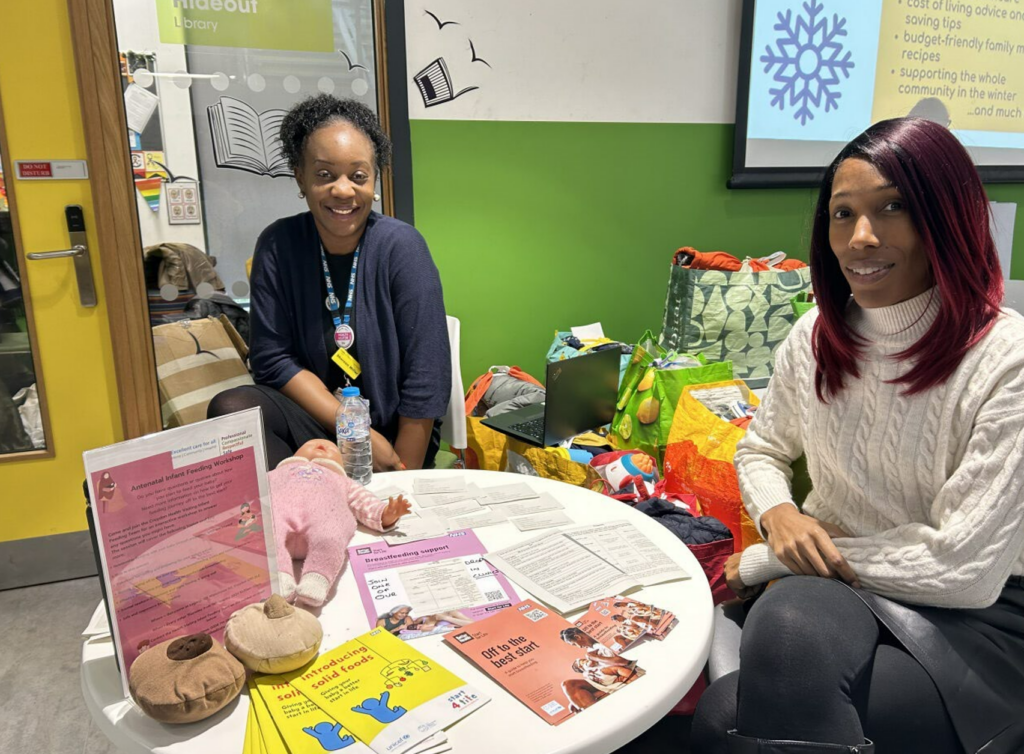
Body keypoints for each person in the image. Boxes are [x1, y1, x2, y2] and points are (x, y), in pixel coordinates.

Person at [691, 118, 1024, 754]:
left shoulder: (1006, 359)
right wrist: (780, 515)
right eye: (842, 214)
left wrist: (768, 558)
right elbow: (761, 449)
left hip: (976, 616)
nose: (860, 238)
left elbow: (963, 569)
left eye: (891, 207)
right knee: (784, 637)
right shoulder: (818, 333)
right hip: (842, 585)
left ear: (945, 218)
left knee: (725, 716)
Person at [208, 95, 451, 470]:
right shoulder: (278, 244)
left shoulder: (402, 247)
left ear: (374, 180)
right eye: (324, 174)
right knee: (233, 408)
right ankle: (302, 516)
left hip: (396, 428)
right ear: (300, 177)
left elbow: (427, 374)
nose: (342, 190)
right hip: (319, 421)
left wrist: (404, 477)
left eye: (358, 176)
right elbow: (272, 359)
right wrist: (353, 428)